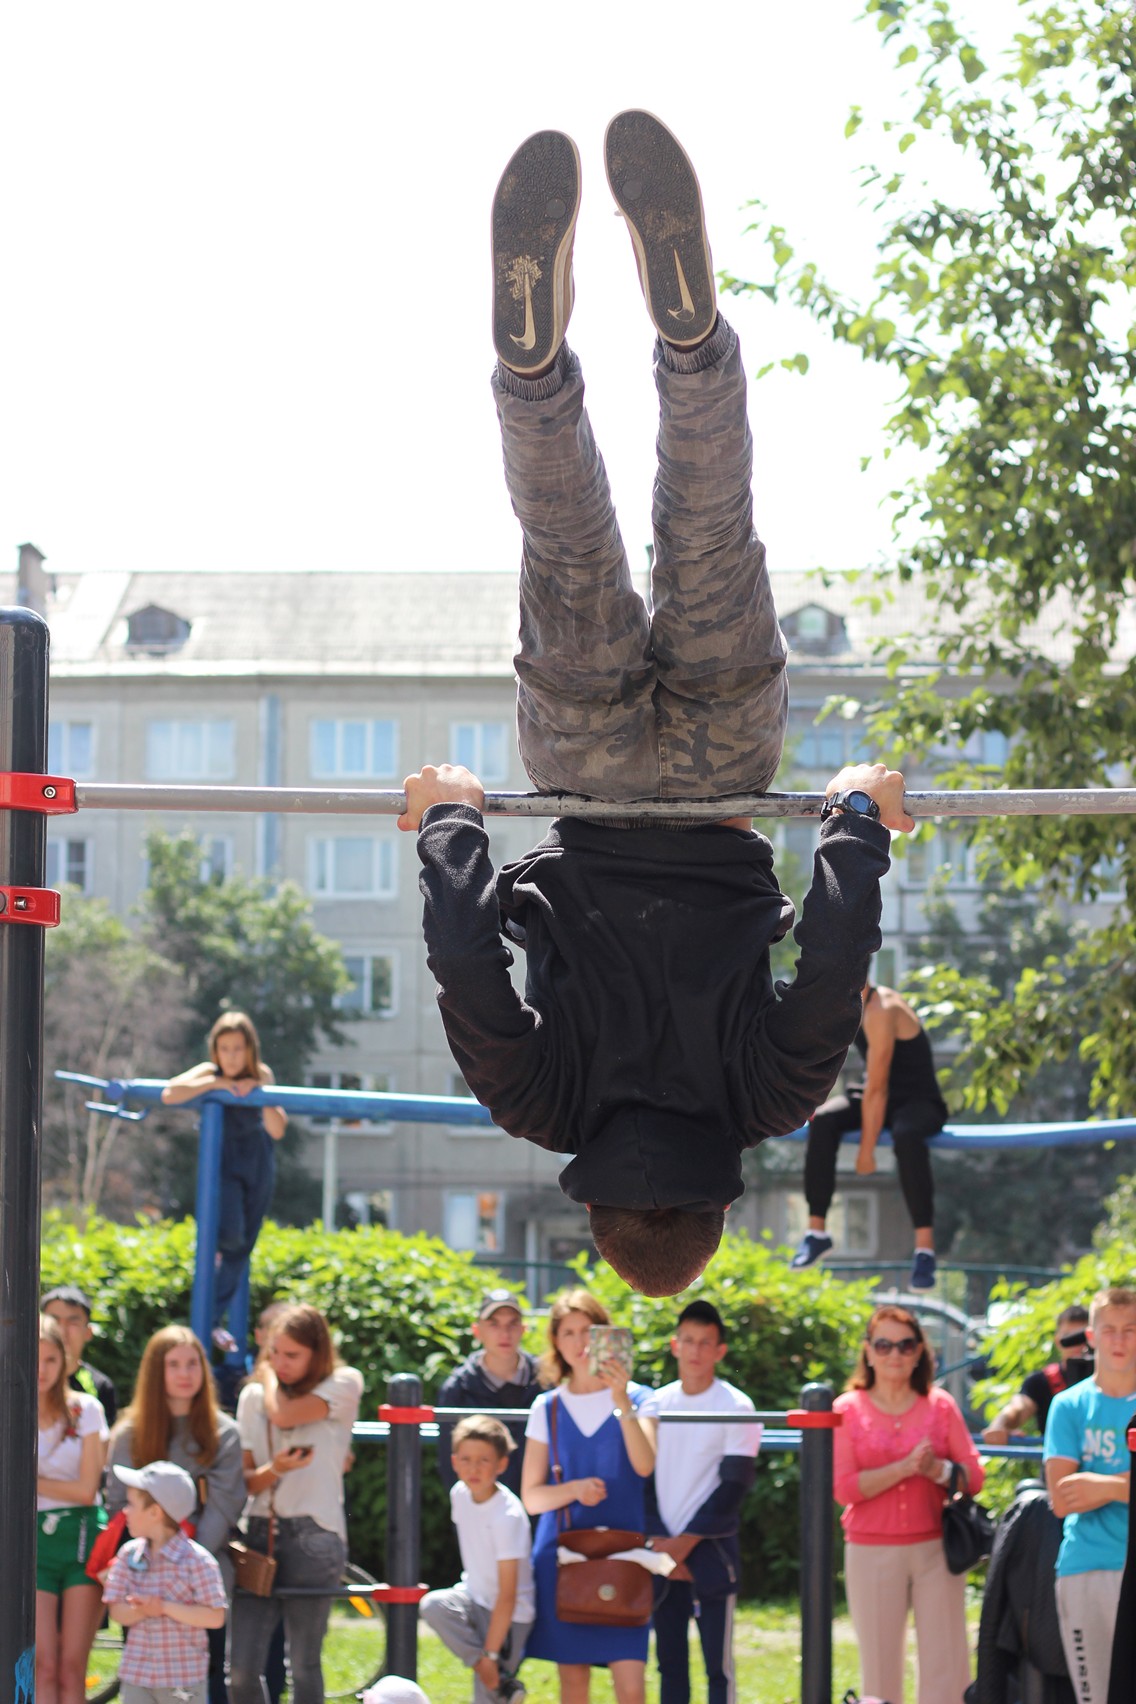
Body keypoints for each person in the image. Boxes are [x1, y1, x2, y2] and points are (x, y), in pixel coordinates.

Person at [397, 111, 910, 1300]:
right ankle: (533, 375)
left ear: (720, 1207)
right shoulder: (540, 1106)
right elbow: (464, 963)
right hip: (586, 784)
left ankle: (690, 346)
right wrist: (451, 822)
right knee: (567, 544)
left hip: (723, 777)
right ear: (595, 1211)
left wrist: (853, 820)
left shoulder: (769, 1098)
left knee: (708, 528)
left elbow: (833, 958)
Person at [833, 1302, 984, 1704]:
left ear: (919, 1351)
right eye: (883, 1345)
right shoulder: (847, 1409)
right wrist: (903, 1469)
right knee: (879, 1670)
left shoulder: (940, 1405)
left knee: (947, 1668)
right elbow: (844, 1488)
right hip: (870, 1552)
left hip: (936, 1549)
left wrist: (937, 1470)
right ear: (868, 1351)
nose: (894, 1354)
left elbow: (974, 1476)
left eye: (905, 1345)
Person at [520, 1288, 656, 1703]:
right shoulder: (546, 1407)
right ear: (555, 1342)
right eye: (568, 1332)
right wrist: (574, 1490)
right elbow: (531, 1498)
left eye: (588, 1331)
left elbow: (644, 1465)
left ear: (605, 1335)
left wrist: (620, 1401)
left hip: (625, 1556)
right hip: (564, 1559)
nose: (580, 1342)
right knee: (573, 1683)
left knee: (630, 1686)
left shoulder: (640, 1398)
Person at [229, 1302, 363, 1704]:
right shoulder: (252, 1396)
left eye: (291, 1355)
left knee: (304, 1666)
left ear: (316, 1354)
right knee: (240, 1672)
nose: (280, 1363)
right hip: (259, 1533)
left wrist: (267, 1374)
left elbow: (285, 1415)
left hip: (315, 1535)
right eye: (274, 1353)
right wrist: (277, 1469)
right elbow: (245, 1482)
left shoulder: (344, 1382)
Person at [106, 1325, 246, 1704]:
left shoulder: (225, 1433)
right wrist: (147, 1563)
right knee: (142, 1674)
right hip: (141, 1573)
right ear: (156, 1371)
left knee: (209, 1676)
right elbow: (118, 1504)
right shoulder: (130, 1433)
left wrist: (183, 1564)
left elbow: (223, 1506)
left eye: (193, 1363)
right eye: (174, 1365)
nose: (185, 1373)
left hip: (203, 1573)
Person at [639, 1301, 762, 1704]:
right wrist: (661, 1543)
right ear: (675, 1345)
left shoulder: (737, 1406)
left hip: (711, 1554)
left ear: (719, 1351)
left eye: (705, 1342)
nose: (695, 1351)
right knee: (669, 1665)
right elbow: (642, 1478)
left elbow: (733, 1486)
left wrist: (683, 1545)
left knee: (717, 1668)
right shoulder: (654, 1404)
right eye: (688, 1340)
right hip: (661, 1551)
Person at [792, 981, 949, 1289]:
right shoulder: (844, 1003)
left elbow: (878, 1089)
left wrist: (867, 1152)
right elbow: (817, 1054)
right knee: (823, 1121)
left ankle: (925, 1251)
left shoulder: (882, 1008)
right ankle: (817, 1233)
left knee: (907, 1135)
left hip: (918, 1101)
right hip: (876, 1095)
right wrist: (803, 1102)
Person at [162, 1013, 287, 1342]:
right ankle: (206, 1322)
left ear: (250, 1050)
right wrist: (217, 1086)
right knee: (230, 1233)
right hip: (223, 1164)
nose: (231, 1056)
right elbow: (170, 1093)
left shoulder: (261, 1074)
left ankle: (212, 1320)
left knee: (243, 1245)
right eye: (224, 1048)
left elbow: (277, 1129)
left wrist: (259, 1092)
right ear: (215, 1050)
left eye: (238, 1048)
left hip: (257, 1163)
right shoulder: (209, 1072)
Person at [1043, 1286, 1136, 1704]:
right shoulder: (1068, 1406)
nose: (1120, 1340)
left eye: (1130, 1329)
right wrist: (1127, 1482)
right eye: (1110, 1329)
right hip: (1086, 1569)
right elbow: (1062, 1499)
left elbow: (1080, 1487)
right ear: (1092, 1336)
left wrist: (1101, 1484)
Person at [420, 1414, 535, 1704]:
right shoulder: (459, 1494)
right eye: (466, 1459)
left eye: (484, 1460)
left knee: (487, 1697)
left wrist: (491, 1654)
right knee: (433, 1605)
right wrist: (482, 1661)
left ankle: (497, 1676)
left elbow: (508, 1594)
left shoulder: (507, 1516)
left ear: (501, 1464)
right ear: (454, 1461)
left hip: (508, 1614)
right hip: (473, 1596)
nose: (474, 1468)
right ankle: (500, 1679)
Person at [104, 1460, 227, 1704]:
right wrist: (142, 1609)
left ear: (155, 1512)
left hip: (183, 1678)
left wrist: (163, 1607)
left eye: (131, 1504)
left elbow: (215, 1616)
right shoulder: (128, 1555)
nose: (125, 1511)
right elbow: (116, 1610)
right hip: (137, 1675)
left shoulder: (198, 1561)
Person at [36, 1313, 109, 1704]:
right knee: (42, 1666)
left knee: (71, 1668)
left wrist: (27, 1482)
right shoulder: (12, 1410)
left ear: (64, 1360)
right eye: (35, 1359)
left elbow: (86, 1489)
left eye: (51, 1359)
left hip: (83, 1538)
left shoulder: (87, 1408)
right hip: (33, 1542)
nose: (42, 1370)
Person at [436, 1290, 542, 1497]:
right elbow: (450, 1463)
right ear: (477, 1331)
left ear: (523, 1329)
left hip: (539, 1505)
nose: (505, 1333)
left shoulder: (547, 1382)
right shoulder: (457, 1390)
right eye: (494, 1324)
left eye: (512, 1323)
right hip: (479, 1507)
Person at [982, 1303, 1093, 1445]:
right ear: (1057, 1340)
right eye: (1068, 1337)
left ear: (1092, 1338)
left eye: (1081, 1337)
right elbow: (1019, 1407)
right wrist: (1000, 1424)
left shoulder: (1111, 1378)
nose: (1075, 1344)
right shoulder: (1041, 1382)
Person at [42, 1282, 119, 1427]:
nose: (62, 1331)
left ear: (88, 1332)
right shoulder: (22, 1379)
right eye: (54, 1321)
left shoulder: (100, 1386)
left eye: (73, 1323)